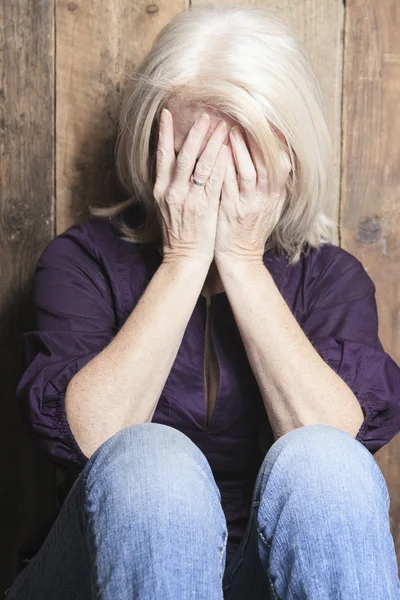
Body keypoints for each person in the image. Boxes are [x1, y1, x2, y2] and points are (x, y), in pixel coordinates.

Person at [6, 5, 400, 599]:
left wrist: (241, 262)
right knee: (150, 460)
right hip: (102, 571)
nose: (216, 184)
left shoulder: (329, 279)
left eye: (242, 163)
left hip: (265, 579)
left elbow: (337, 453)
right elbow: (94, 437)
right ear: (152, 148)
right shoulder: (80, 262)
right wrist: (184, 257)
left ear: (289, 163)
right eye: (194, 161)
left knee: (326, 460)